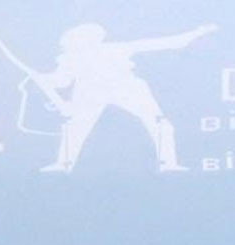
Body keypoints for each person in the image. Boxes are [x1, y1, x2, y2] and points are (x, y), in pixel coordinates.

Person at [32, 22, 217, 172]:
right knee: (75, 129)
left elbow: (163, 43)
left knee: (160, 124)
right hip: (90, 91)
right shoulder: (69, 58)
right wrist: (45, 79)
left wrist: (195, 34)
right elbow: (62, 82)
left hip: (126, 87)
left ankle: (168, 164)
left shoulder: (118, 48)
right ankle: (63, 165)